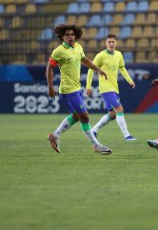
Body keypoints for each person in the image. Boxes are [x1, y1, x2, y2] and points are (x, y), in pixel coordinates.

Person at [46, 24, 112, 155]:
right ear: (62, 37)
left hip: (77, 88)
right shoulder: (58, 51)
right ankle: (96, 145)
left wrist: (97, 69)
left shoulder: (78, 47)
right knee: (85, 116)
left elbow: (85, 60)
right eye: (67, 35)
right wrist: (50, 87)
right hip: (68, 90)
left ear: (76, 35)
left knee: (76, 116)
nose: (70, 37)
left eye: (72, 34)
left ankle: (55, 135)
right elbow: (49, 68)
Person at [86, 34, 137, 141]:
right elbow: (91, 69)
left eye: (113, 42)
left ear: (116, 43)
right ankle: (127, 135)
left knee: (113, 114)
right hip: (106, 88)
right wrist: (88, 86)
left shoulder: (119, 54)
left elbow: (122, 68)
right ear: (106, 43)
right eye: (109, 42)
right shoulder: (100, 56)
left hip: (115, 88)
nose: (111, 44)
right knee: (119, 108)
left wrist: (129, 80)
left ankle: (94, 130)